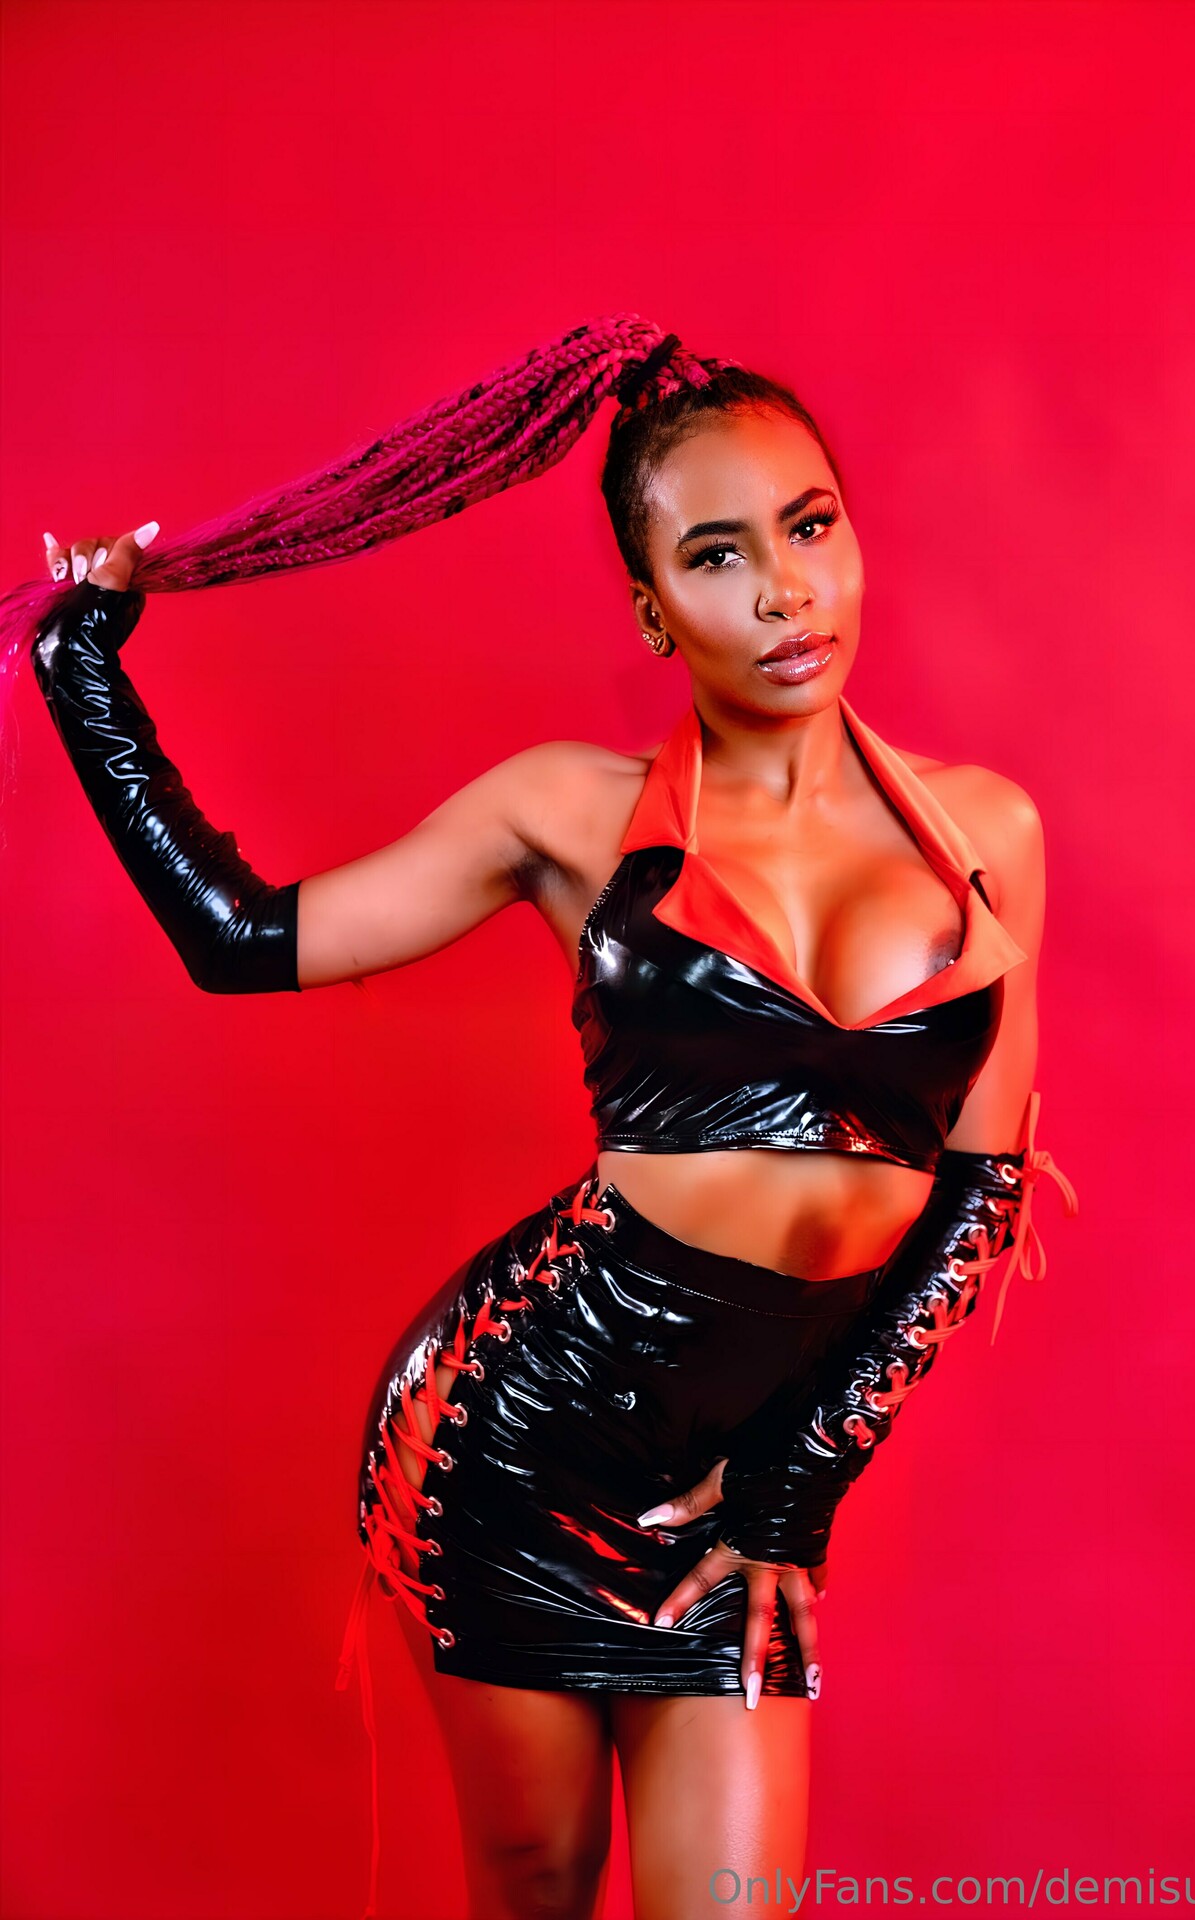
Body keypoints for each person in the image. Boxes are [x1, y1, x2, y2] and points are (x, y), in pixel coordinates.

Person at [24, 316, 1077, 1920]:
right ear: (652, 608)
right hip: (512, 1444)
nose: (782, 592)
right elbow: (241, 941)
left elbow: (977, 1194)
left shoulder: (986, 831)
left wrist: (796, 1480)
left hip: (739, 1483)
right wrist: (82, 670)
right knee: (534, 1890)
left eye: (807, 527)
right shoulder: (568, 814)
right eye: (716, 556)